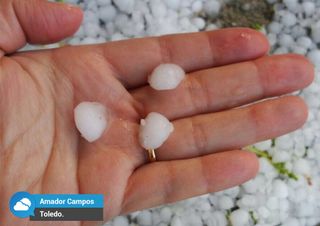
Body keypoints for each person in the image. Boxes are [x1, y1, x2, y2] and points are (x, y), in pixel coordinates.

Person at [0, 0, 314, 225]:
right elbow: (36, 209)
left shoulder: (30, 208)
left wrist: (20, 211)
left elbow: (32, 210)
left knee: (86, 207)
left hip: (32, 206)